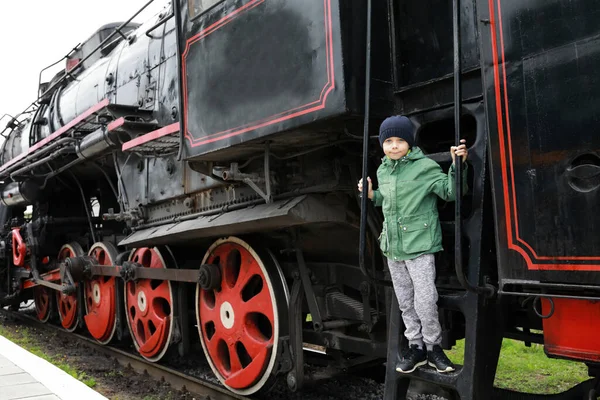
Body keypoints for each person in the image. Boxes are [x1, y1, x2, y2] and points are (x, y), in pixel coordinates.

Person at [358, 115, 468, 374]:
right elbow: (387, 199)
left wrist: (457, 165)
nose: (394, 146)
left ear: (410, 143)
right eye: (388, 141)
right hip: (394, 248)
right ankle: (415, 346)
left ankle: (433, 347)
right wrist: (372, 194)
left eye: (399, 141)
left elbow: (451, 191)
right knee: (405, 300)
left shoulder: (425, 167)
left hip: (419, 246)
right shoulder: (384, 169)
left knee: (425, 299)